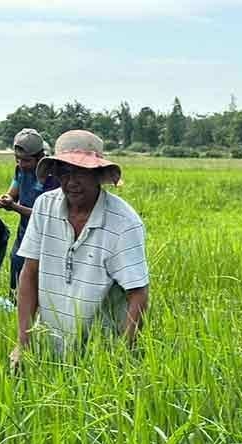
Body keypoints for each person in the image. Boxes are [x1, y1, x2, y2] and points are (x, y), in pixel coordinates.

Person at [12, 129, 149, 365]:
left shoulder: (123, 222)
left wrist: (122, 355)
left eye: (82, 172)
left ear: (98, 174)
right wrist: (23, 343)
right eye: (65, 172)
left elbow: (138, 294)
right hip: (49, 348)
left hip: (101, 352)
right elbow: (29, 273)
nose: (72, 182)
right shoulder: (44, 206)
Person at [0, 128, 60, 292]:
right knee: (17, 264)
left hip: (48, 234)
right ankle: (14, 307)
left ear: (40, 158)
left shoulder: (53, 177)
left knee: (41, 274)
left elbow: (44, 214)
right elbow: (13, 193)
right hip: (25, 231)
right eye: (18, 159)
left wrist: (14, 207)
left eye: (26, 160)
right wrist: (5, 200)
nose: (21, 164)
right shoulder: (20, 170)